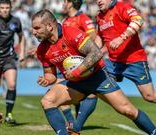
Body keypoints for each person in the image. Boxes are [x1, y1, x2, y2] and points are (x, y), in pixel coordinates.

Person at [32, 9, 156, 135]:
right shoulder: (42, 49)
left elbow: (95, 53)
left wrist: (77, 71)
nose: (33, 32)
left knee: (128, 111)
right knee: (47, 101)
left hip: (98, 77)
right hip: (76, 84)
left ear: (49, 26)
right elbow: (51, 74)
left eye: (37, 28)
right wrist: (47, 79)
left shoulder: (71, 33)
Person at [96, 0, 156, 119]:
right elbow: (100, 38)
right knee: (93, 83)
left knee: (150, 96)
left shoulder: (122, 7)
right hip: (113, 62)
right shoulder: (99, 16)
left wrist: (121, 38)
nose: (98, 1)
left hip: (134, 60)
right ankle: (75, 126)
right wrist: (93, 52)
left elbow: (138, 20)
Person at [60, 0, 103, 132]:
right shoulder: (66, 21)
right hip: (65, 63)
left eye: (65, 1)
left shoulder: (83, 18)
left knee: (89, 94)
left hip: (80, 63)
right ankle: (73, 123)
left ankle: (76, 124)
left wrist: (87, 59)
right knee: (61, 92)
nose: (62, 4)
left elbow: (93, 38)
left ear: (70, 3)